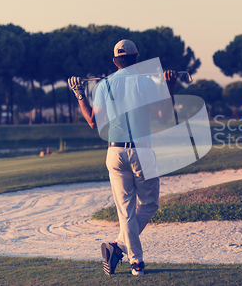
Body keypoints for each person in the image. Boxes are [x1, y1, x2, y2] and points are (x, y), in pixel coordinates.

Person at [68, 39, 177, 276]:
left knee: (125, 211)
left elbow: (92, 122)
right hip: (142, 150)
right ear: (137, 59)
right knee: (149, 204)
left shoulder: (104, 85)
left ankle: (122, 250)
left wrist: (79, 95)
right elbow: (163, 117)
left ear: (115, 61)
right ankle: (130, 257)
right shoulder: (146, 82)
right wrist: (170, 86)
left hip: (114, 152)